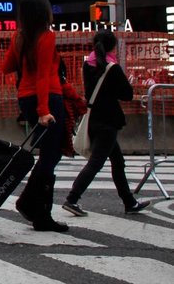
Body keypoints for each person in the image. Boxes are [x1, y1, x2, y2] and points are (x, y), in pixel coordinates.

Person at [62, 30, 149, 217]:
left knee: (118, 160)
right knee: (96, 162)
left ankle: (129, 202)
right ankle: (72, 198)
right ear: (112, 47)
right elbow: (126, 93)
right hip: (108, 121)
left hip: (93, 117)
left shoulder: (87, 64)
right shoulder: (112, 68)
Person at [2, 0, 69, 232]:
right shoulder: (47, 37)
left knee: (49, 154)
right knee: (51, 154)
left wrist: (21, 53)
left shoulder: (18, 37)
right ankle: (36, 209)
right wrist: (44, 110)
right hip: (48, 98)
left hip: (26, 98)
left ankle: (33, 205)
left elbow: (6, 67)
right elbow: (42, 75)